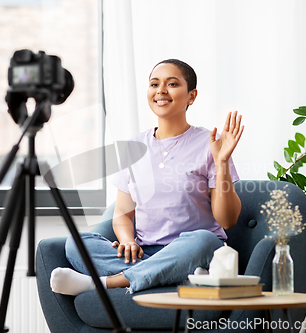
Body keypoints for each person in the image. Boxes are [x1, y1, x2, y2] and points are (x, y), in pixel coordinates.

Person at [50, 59, 244, 296]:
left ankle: (108, 283)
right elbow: (123, 214)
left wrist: (221, 161)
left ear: (191, 96)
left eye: (172, 84)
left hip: (192, 249)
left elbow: (227, 220)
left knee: (203, 241)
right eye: (154, 84)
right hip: (144, 252)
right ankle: (171, 274)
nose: (161, 90)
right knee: (76, 243)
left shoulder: (210, 144)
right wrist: (127, 241)